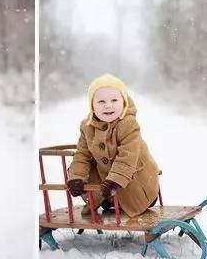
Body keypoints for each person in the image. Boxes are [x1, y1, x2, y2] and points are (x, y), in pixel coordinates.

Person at [67, 74, 160, 219]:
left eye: (114, 100)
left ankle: (132, 198)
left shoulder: (128, 124)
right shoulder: (87, 127)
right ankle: (107, 198)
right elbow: (82, 155)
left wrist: (115, 180)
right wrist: (76, 177)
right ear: (92, 105)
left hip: (137, 180)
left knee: (136, 196)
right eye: (101, 101)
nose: (108, 105)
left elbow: (128, 156)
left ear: (123, 102)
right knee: (83, 166)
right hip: (107, 182)